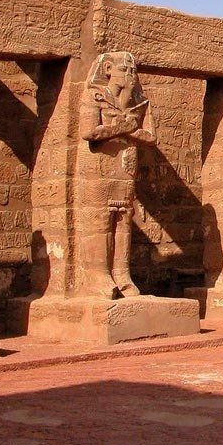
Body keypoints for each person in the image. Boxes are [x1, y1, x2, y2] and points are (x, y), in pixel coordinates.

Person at [76, 51, 156, 298]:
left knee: (124, 218)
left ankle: (122, 275)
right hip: (99, 167)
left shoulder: (140, 101)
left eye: (133, 71)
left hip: (125, 166)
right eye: (125, 70)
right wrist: (123, 127)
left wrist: (127, 129)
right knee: (100, 219)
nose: (130, 75)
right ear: (108, 69)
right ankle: (98, 274)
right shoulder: (95, 96)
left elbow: (150, 136)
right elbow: (89, 131)